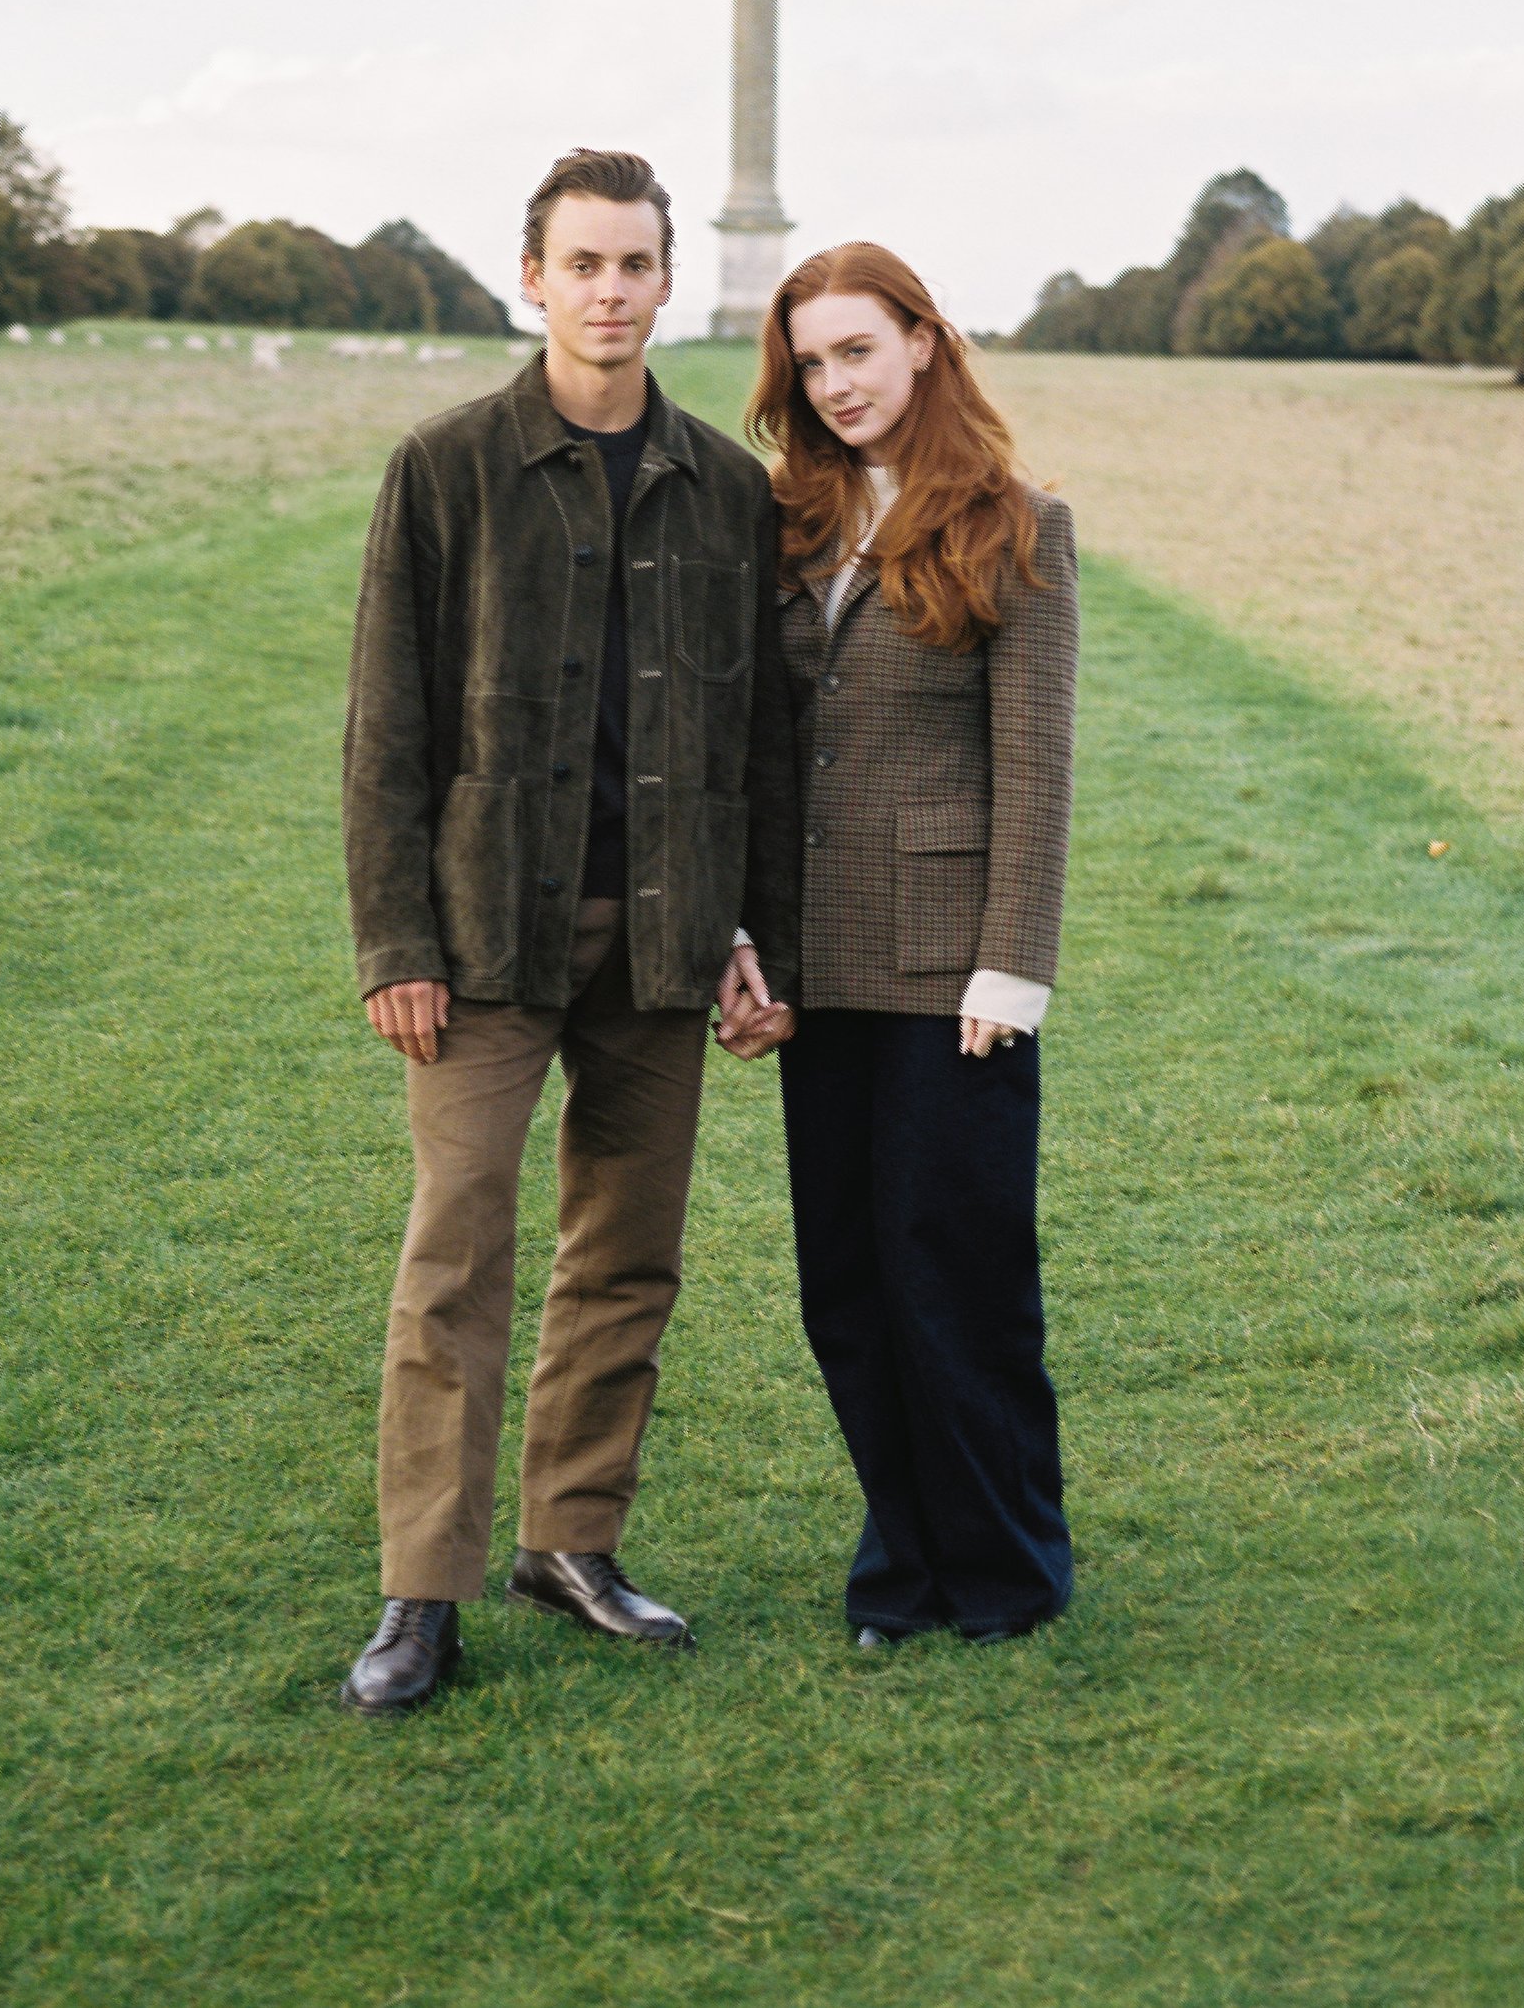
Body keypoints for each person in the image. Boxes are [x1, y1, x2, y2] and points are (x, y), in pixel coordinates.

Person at [338, 147, 798, 1716]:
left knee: (628, 1253)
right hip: (479, 940)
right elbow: (385, 728)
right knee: (455, 1248)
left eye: (634, 264)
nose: (609, 291)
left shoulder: (729, 491)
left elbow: (765, 749)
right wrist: (398, 939)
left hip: (664, 939)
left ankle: (571, 1543)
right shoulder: (448, 465)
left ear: (670, 282)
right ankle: (422, 1591)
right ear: (529, 277)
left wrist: (761, 939)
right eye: (581, 263)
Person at [744, 240, 1077, 1647]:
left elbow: (1036, 764)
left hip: (955, 973)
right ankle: (903, 1565)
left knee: (958, 1280)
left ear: (926, 341)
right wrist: (745, 938)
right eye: (811, 363)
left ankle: (1006, 1569)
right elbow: (762, 749)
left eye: (857, 351)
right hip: (818, 967)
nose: (835, 386)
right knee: (851, 1289)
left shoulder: (1018, 520)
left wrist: (1011, 965)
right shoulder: (788, 524)